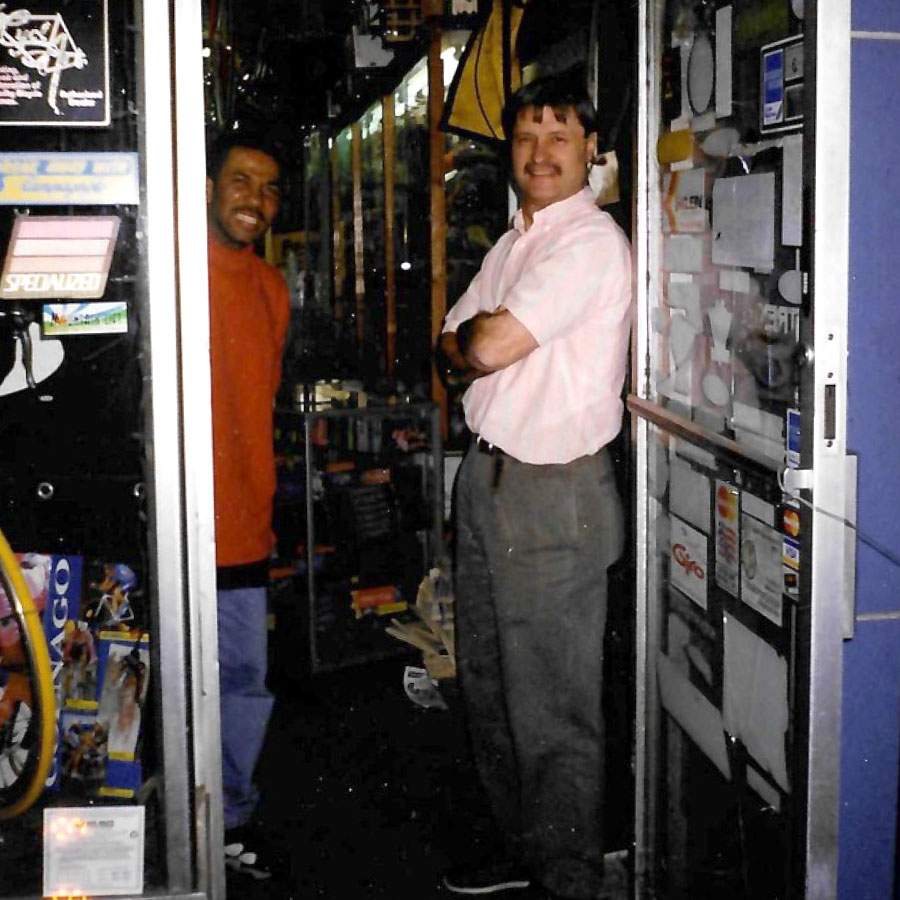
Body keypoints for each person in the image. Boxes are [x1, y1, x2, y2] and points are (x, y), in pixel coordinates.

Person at [438, 74, 632, 900]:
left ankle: (567, 879)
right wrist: (468, 343)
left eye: (560, 135)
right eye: (525, 137)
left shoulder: (586, 241)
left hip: (554, 499)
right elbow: (452, 334)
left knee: (552, 711)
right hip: (487, 480)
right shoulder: (517, 240)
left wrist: (470, 344)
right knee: (488, 688)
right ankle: (525, 848)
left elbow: (479, 348)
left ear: (592, 149)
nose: (540, 152)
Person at [206, 130, 290, 882]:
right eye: (239, 181)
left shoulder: (272, 288)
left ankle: (231, 818)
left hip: (243, 523)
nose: (254, 202)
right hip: (174, 524)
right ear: (206, 185)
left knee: (241, 679)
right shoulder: (169, 276)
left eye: (267, 189)